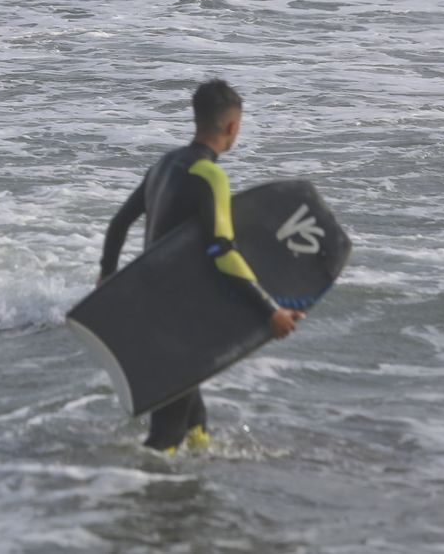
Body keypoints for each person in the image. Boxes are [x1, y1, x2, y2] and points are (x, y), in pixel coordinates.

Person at [98, 79, 302, 452]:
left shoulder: (163, 165)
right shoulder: (211, 175)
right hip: (180, 321)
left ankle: (189, 488)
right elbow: (222, 252)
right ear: (232, 127)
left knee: (195, 420)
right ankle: (137, 495)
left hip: (149, 306)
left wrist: (106, 281)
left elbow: (119, 224)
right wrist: (270, 310)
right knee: (167, 434)